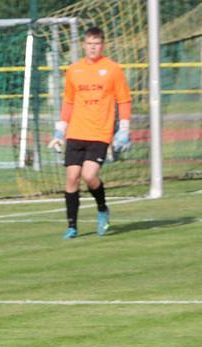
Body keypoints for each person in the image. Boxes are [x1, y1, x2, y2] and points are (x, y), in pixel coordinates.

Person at [48, 27, 132, 239]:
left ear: (102, 45)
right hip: (76, 132)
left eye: (97, 44)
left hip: (100, 133)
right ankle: (72, 226)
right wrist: (60, 132)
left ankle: (102, 208)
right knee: (71, 178)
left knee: (89, 175)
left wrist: (123, 129)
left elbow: (123, 100)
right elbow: (68, 101)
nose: (93, 47)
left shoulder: (113, 69)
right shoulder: (74, 70)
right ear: (84, 45)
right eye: (89, 43)